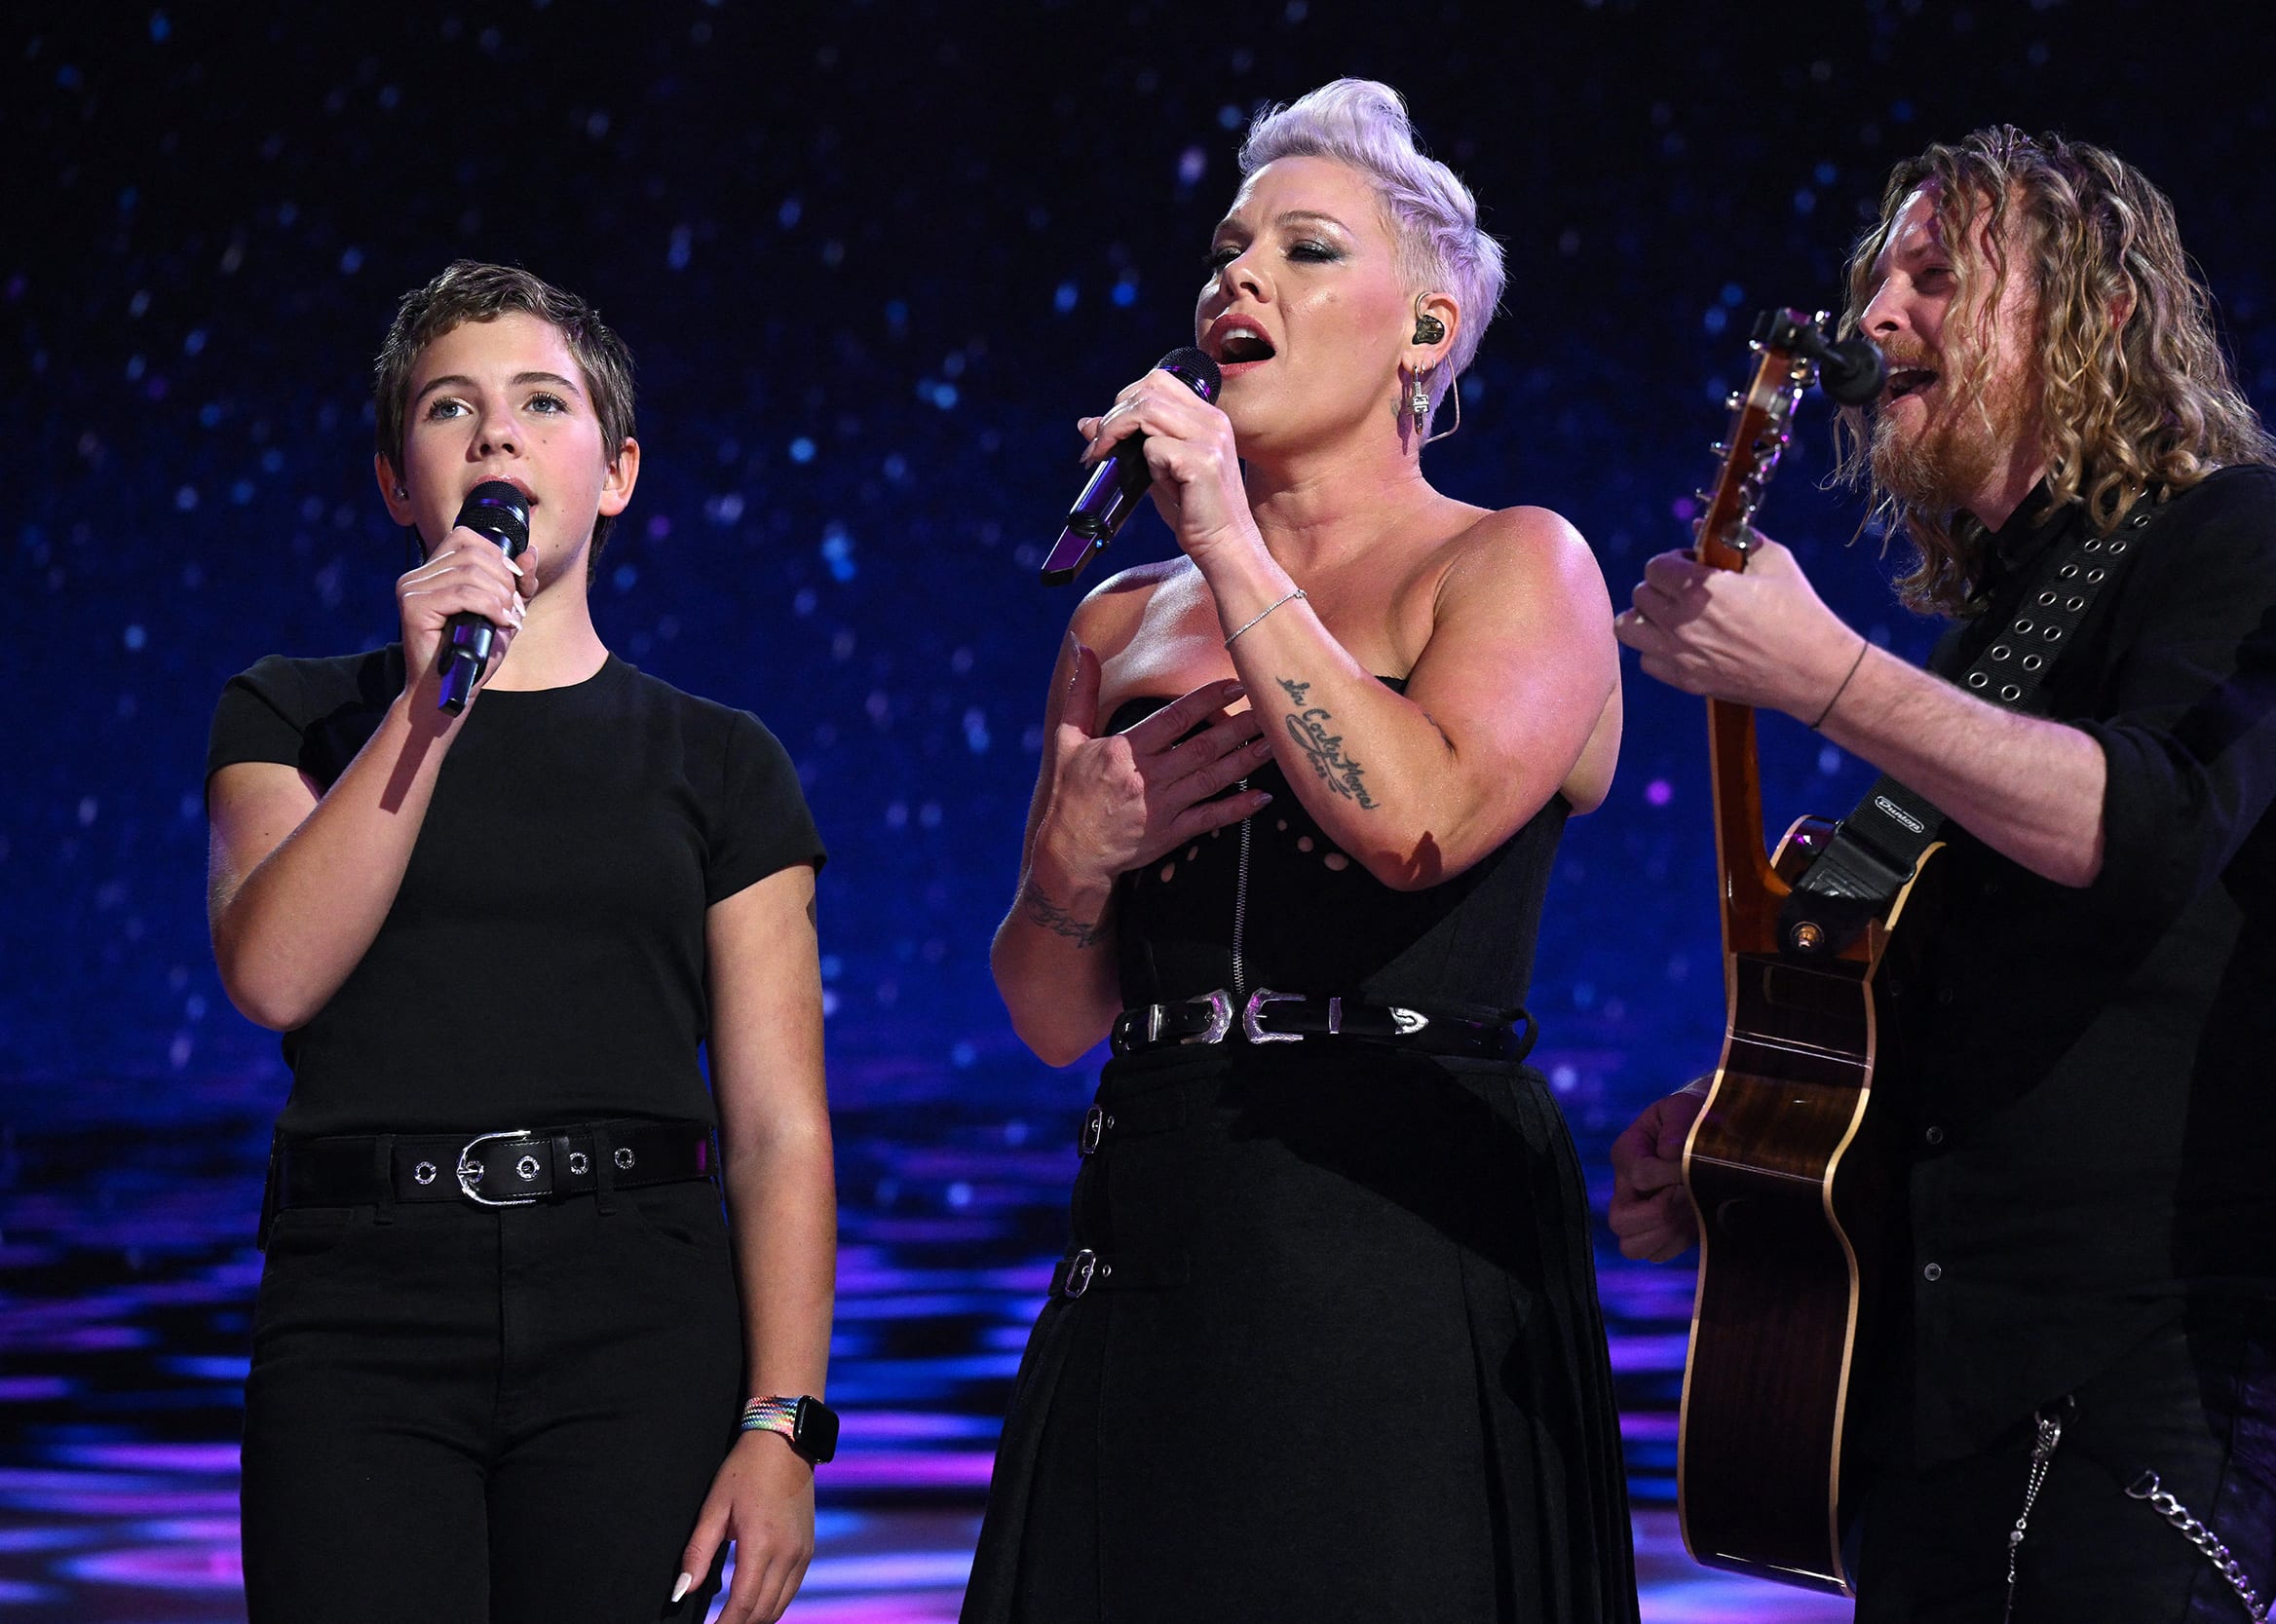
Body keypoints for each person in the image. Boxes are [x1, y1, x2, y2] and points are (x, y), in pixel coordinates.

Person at [1609, 128, 2276, 1622]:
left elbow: (2142, 831)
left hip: (2151, 1353)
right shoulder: (2007, 629)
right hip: (1939, 1384)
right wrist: (1750, 1139)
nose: (1875, 320)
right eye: (1876, 283)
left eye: (1934, 275)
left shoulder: (2250, 532)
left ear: (2097, 314)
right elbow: (1949, 998)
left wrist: (1827, 674)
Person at [965, 79, 1635, 1623]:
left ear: (1428, 328)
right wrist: (1069, 870)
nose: (1236, 279)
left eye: (1306, 248)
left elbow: (1418, 824)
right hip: (1158, 1218)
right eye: (1228, 248)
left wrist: (1226, 536)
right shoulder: (1121, 622)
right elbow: (1052, 1013)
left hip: (1397, 1224)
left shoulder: (1516, 561)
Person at [207, 261, 838, 1624]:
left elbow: (782, 1127)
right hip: (363, 1311)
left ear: (614, 472)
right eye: (450, 408)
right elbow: (271, 972)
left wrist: (783, 1422)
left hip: (637, 1307)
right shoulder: (293, 715)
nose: (494, 433)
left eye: (539, 402)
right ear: (396, 482)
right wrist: (431, 707)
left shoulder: (722, 763)